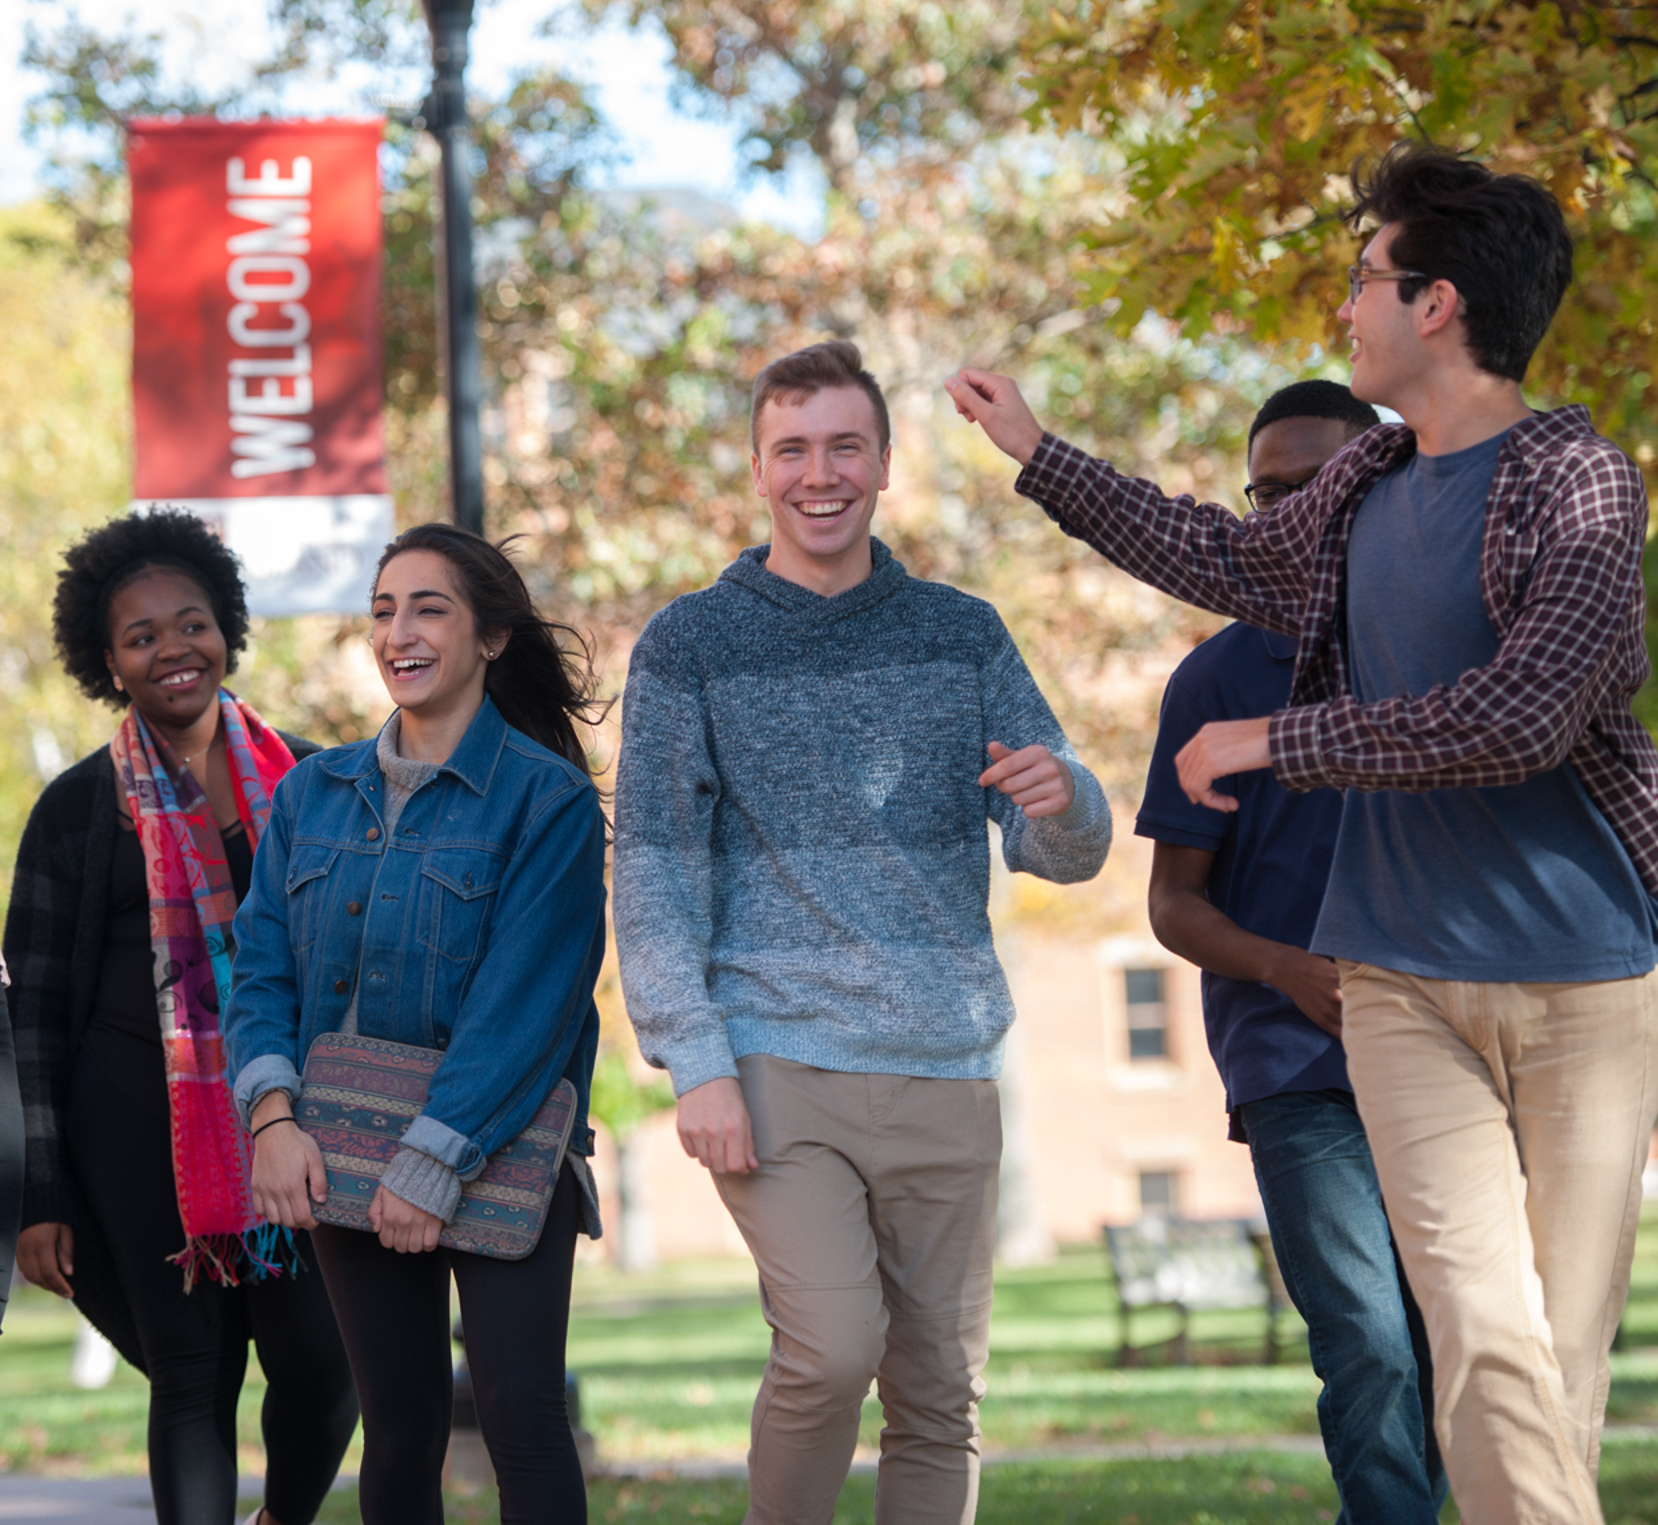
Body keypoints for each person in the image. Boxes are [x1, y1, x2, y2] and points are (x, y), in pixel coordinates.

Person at [948, 144, 1658, 1525]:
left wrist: (1280, 737)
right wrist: (1038, 454)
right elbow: (1215, 554)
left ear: (1435, 302)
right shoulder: (1360, 489)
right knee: (1477, 1341)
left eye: (1364, 275)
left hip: (1577, 977)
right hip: (1393, 981)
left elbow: (1515, 718)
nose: (1346, 302)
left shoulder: (1576, 481)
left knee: (1548, 1365)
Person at [614, 340, 1113, 1525]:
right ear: (755, 468)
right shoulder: (689, 645)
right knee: (831, 1351)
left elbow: (1056, 841)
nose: (818, 473)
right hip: (779, 1064)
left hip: (947, 1064)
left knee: (939, 1392)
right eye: (792, 448)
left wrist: (1070, 801)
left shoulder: (961, 632)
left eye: (845, 446)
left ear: (884, 464)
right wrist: (696, 1059)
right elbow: (652, 871)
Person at [224, 523, 608, 1525]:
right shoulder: (309, 794)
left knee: (522, 1419)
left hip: (504, 1141)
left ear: (489, 636)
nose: (398, 630)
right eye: (383, 610)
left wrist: (432, 1159)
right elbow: (259, 968)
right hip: (339, 1142)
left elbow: (527, 1002)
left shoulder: (547, 799)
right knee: (396, 1431)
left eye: (427, 606)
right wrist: (270, 1118)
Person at [5, 510, 358, 1525]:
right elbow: (30, 1018)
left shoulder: (315, 781)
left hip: (298, 1119)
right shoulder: (77, 811)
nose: (172, 649)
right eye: (141, 634)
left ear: (226, 629)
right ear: (107, 661)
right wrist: (42, 1189)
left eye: (190, 623)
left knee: (321, 1361)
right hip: (135, 1133)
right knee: (192, 1369)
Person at [1139, 378, 1446, 1523]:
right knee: (1366, 1338)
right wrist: (1283, 969)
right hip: (1295, 1067)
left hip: (1451, 1054)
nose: (1277, 515)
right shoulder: (1210, 681)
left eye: (1306, 485)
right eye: (1259, 493)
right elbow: (1172, 904)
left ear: (1376, 485)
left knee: (1453, 1334)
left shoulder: (1442, 654)